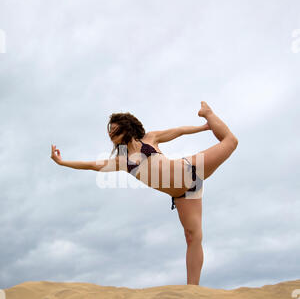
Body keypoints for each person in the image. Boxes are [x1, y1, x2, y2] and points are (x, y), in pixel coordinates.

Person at [51, 101, 238, 285]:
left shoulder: (150, 138)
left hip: (190, 170)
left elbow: (179, 131)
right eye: (109, 129)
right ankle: (193, 290)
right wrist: (62, 162)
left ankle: (208, 113)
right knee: (192, 237)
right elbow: (92, 165)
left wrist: (205, 126)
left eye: (113, 128)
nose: (109, 133)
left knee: (231, 141)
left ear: (126, 127)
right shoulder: (121, 161)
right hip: (184, 194)